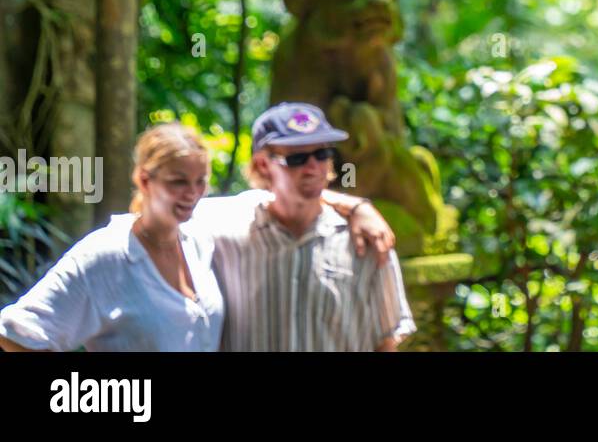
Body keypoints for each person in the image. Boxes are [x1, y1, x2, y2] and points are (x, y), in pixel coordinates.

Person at [191, 102, 416, 351]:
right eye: (297, 158)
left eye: (322, 154)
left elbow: (385, 342)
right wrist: (354, 204)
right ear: (263, 165)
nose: (313, 167)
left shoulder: (367, 240)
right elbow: (162, 213)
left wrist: (358, 207)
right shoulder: (221, 231)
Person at [0, 124, 223, 351]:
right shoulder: (106, 255)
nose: (193, 193)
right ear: (145, 181)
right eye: (179, 181)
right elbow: (16, 333)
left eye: (201, 181)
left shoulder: (199, 243)